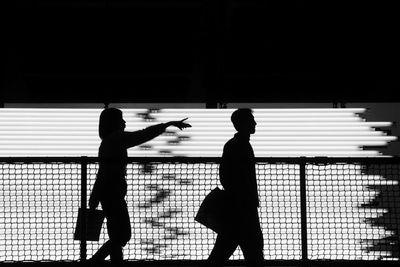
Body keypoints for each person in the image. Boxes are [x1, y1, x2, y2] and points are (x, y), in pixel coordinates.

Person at [88, 107, 191, 264]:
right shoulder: (116, 139)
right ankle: (92, 262)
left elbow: (102, 172)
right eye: (120, 119)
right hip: (113, 195)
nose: (124, 122)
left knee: (116, 235)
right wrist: (167, 124)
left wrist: (94, 197)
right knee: (122, 236)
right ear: (114, 122)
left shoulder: (107, 142)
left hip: (108, 194)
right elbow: (143, 135)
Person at [207, 108, 264, 267]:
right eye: (251, 120)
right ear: (244, 123)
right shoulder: (242, 146)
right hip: (244, 208)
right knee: (253, 250)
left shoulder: (233, 145)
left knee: (223, 250)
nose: (255, 123)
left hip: (236, 208)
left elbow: (225, 176)